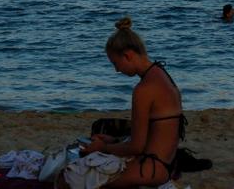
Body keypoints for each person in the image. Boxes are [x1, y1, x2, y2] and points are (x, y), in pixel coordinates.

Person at [72, 17, 185, 188]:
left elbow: (137, 147)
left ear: (128, 55)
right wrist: (113, 141)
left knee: (77, 179)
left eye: (116, 64)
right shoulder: (161, 73)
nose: (116, 70)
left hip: (150, 169)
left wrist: (103, 148)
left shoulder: (143, 89)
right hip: (164, 164)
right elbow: (155, 133)